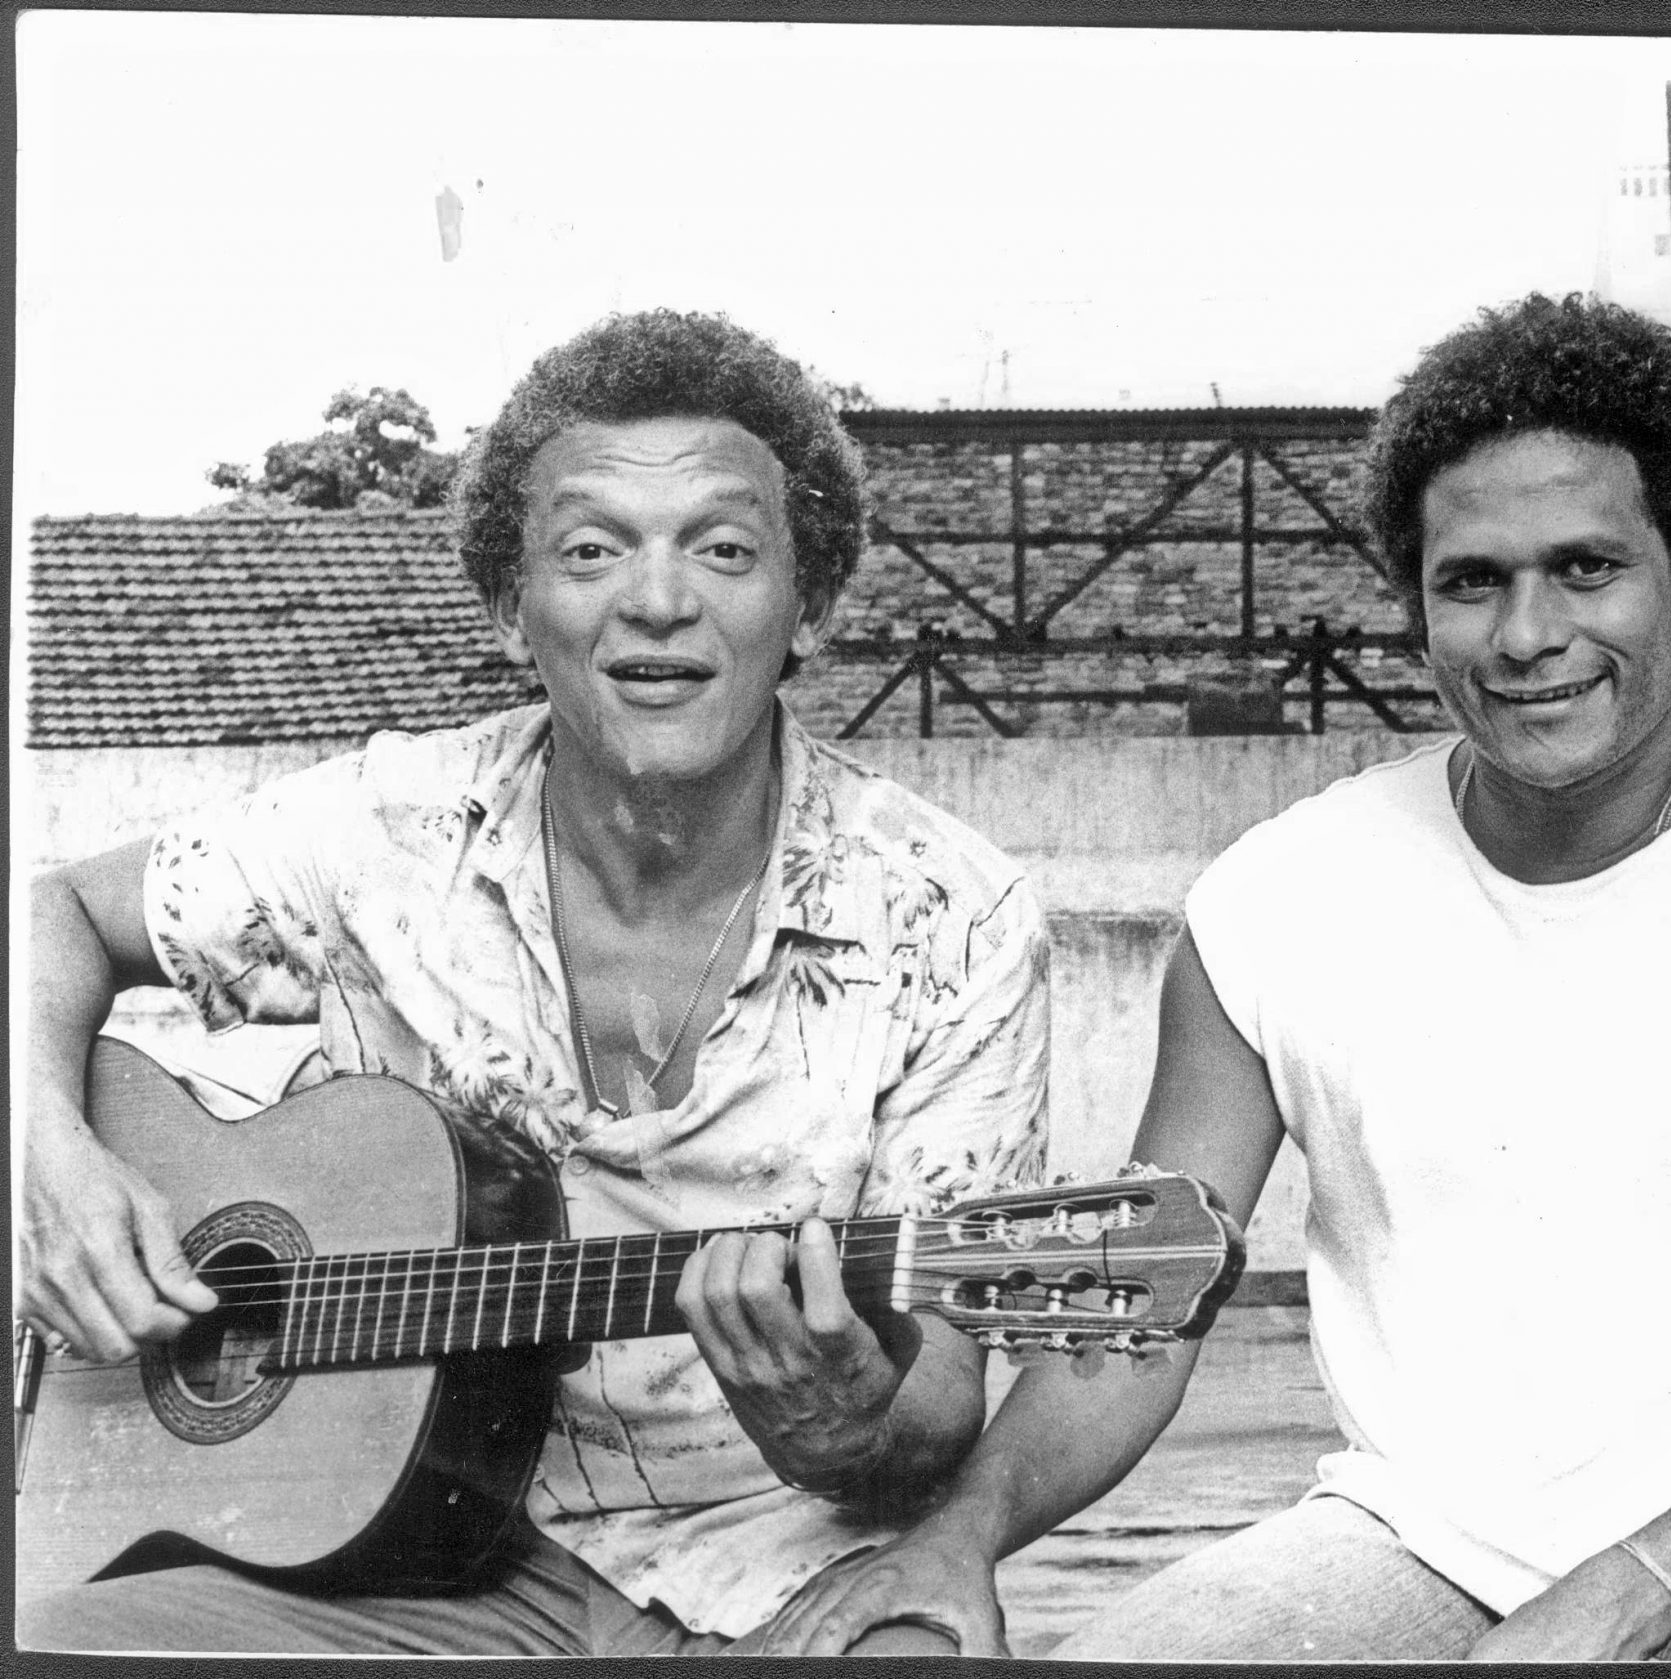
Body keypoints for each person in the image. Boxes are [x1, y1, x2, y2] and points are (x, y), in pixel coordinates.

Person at [754, 293, 1671, 1662]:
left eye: (1588, 569)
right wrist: (960, 1532)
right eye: (1472, 582)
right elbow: (1136, 1307)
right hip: (1412, 1542)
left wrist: (1635, 1585)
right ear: (1419, 608)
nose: (1528, 634)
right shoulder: (1281, 899)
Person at [18, 309, 1050, 1655]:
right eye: (591, 550)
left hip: (779, 1570)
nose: (660, 599)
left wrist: (849, 1422)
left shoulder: (954, 920)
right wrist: (45, 1156)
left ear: (814, 603)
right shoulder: (385, 830)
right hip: (383, 1570)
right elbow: (51, 917)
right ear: (514, 608)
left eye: (725, 550)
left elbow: (932, 1419)